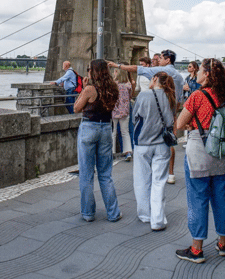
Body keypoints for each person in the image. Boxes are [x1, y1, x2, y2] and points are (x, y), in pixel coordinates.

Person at [174, 58, 225, 263]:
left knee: (198, 199)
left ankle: (197, 249)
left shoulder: (197, 95)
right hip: (221, 152)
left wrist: (191, 126)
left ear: (206, 74)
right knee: (221, 199)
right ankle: (223, 243)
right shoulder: (224, 96)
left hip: (200, 150)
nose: (196, 73)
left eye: (200, 70)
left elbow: (180, 123)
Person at [109, 50, 184, 184]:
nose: (158, 60)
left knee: (150, 141)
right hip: (170, 111)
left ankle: (151, 172)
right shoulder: (178, 75)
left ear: (168, 60)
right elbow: (178, 99)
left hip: (152, 107)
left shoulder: (160, 71)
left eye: (161, 58)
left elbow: (136, 68)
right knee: (169, 140)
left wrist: (117, 66)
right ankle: (170, 173)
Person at [73, 59, 122, 222]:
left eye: (89, 69)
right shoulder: (113, 87)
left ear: (93, 72)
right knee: (105, 174)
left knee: (86, 174)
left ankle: (88, 213)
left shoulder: (89, 89)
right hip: (106, 129)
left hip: (89, 128)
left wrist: (83, 89)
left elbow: (76, 108)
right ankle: (113, 213)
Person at [132, 72, 176, 231]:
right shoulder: (170, 97)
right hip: (162, 145)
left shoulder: (143, 96)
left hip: (143, 143)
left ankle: (145, 215)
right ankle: (157, 219)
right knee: (159, 182)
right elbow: (171, 122)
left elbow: (134, 117)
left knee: (142, 180)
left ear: (155, 79)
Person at [112, 65, 134, 161]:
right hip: (124, 111)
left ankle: (111, 152)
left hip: (114, 111)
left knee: (113, 132)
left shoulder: (113, 85)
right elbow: (129, 97)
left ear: (117, 73)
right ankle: (128, 152)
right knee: (125, 132)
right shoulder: (128, 85)